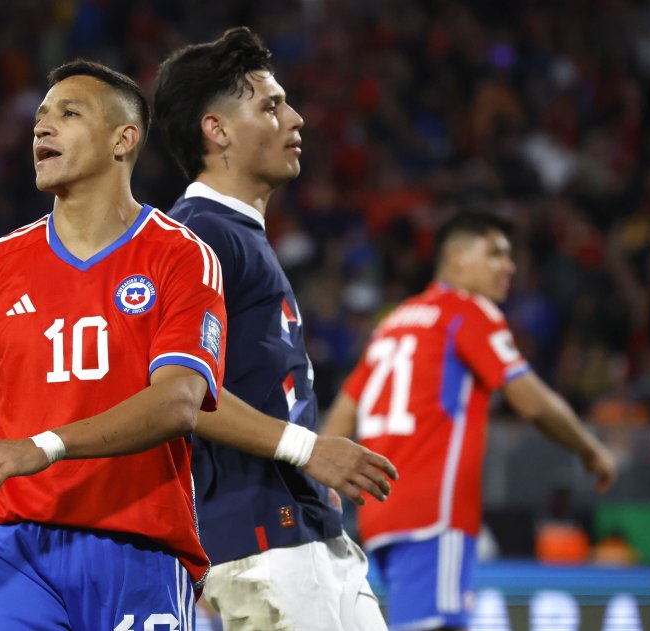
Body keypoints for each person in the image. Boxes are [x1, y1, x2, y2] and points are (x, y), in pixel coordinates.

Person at [0, 61, 226, 631]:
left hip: (139, 548)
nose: (42, 128)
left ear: (123, 140)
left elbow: (178, 403)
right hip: (12, 550)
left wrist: (44, 446)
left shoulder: (181, 256)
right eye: (40, 118)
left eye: (68, 113)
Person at [154, 27, 396, 631]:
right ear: (218, 130)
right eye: (270, 105)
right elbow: (181, 396)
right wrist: (309, 451)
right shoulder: (200, 236)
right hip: (264, 541)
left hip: (304, 529)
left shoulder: (235, 234)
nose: (296, 118)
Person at [323, 210, 618, 631]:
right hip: (434, 513)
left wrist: (318, 479)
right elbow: (531, 401)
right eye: (496, 253)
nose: (509, 266)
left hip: (379, 516)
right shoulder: (467, 311)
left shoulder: (396, 321)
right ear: (458, 258)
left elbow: (344, 410)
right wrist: (590, 449)